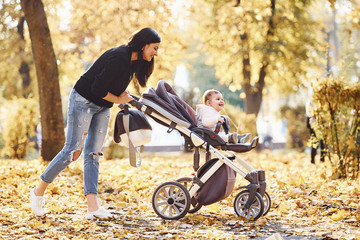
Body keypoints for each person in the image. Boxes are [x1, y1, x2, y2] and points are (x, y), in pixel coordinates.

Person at [30, 28, 161, 219]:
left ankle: (92, 208)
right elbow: (97, 88)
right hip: (83, 100)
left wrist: (122, 97)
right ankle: (38, 192)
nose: (156, 53)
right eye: (155, 48)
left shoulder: (134, 62)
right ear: (144, 44)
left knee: (93, 154)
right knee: (71, 151)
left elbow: (113, 88)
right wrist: (118, 99)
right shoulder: (119, 57)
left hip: (103, 106)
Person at [306, 100, 325, 164]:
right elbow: (309, 114)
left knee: (322, 143)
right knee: (314, 143)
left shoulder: (320, 101)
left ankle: (322, 159)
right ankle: (313, 160)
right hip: (313, 125)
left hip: (320, 125)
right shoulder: (310, 102)